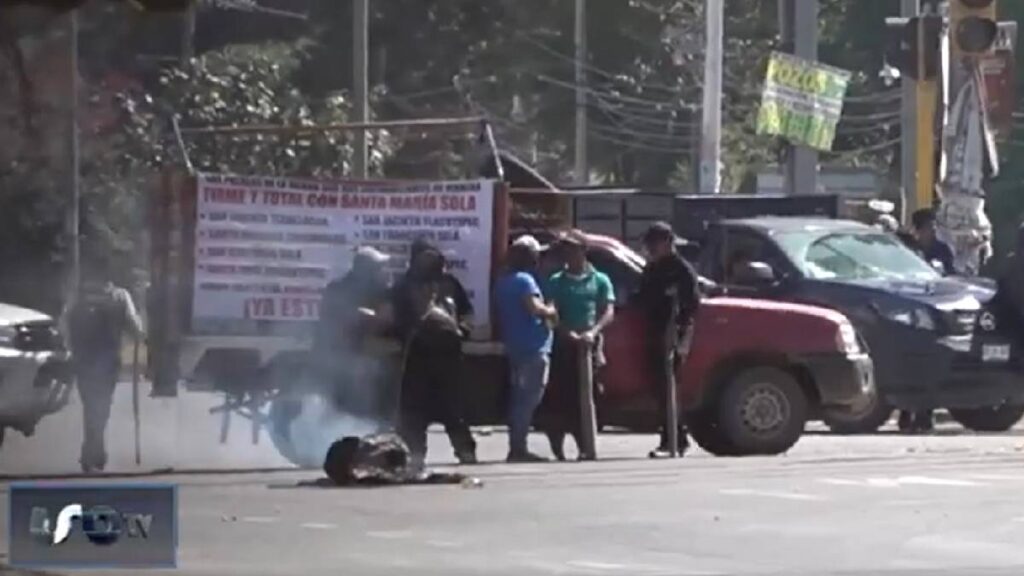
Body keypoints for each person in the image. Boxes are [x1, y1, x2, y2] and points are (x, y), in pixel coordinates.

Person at [387, 240, 477, 467]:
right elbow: (393, 319)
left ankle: (466, 453)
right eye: (423, 258)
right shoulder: (403, 286)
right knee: (413, 412)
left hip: (448, 357)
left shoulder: (449, 283)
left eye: (432, 258)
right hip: (418, 355)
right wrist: (406, 332)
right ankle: (414, 458)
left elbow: (467, 313)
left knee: (454, 410)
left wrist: (462, 330)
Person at [540, 231, 615, 461]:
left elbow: (608, 310)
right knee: (561, 396)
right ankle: (557, 444)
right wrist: (566, 332)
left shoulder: (600, 280)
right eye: (566, 250)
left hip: (589, 346)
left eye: (573, 249)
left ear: (584, 251)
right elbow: (551, 313)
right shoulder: (556, 281)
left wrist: (593, 332)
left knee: (590, 395)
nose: (569, 254)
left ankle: (586, 445)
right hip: (564, 346)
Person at [66, 268, 144, 473]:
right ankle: (95, 453)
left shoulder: (78, 296)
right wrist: (140, 332)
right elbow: (135, 328)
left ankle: (92, 451)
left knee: (90, 406)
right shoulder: (119, 296)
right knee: (101, 407)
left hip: (83, 359)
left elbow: (64, 323)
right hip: (108, 360)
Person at [636, 222, 700, 458]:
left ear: (667, 243)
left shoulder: (681, 270)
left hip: (674, 334)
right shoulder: (653, 269)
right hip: (653, 334)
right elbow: (642, 297)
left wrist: (681, 336)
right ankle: (675, 436)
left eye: (655, 243)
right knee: (659, 389)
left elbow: (691, 305)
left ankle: (673, 440)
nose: (651, 248)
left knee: (668, 386)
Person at [494, 235, 558, 463]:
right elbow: (533, 308)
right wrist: (550, 310)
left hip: (515, 346)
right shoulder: (525, 281)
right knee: (527, 399)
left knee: (519, 398)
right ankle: (518, 448)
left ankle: (517, 445)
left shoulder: (504, 281)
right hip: (533, 348)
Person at [312, 246, 391, 417]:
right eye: (378, 267)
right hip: (342, 356)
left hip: (366, 356)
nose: (383, 271)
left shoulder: (380, 291)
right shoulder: (339, 288)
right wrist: (370, 316)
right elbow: (343, 314)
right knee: (347, 404)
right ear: (366, 270)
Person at [910, 208, 956, 276]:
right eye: (929, 226)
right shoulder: (908, 248)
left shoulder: (943, 250)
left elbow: (950, 273)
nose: (934, 229)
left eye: (935, 226)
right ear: (918, 229)